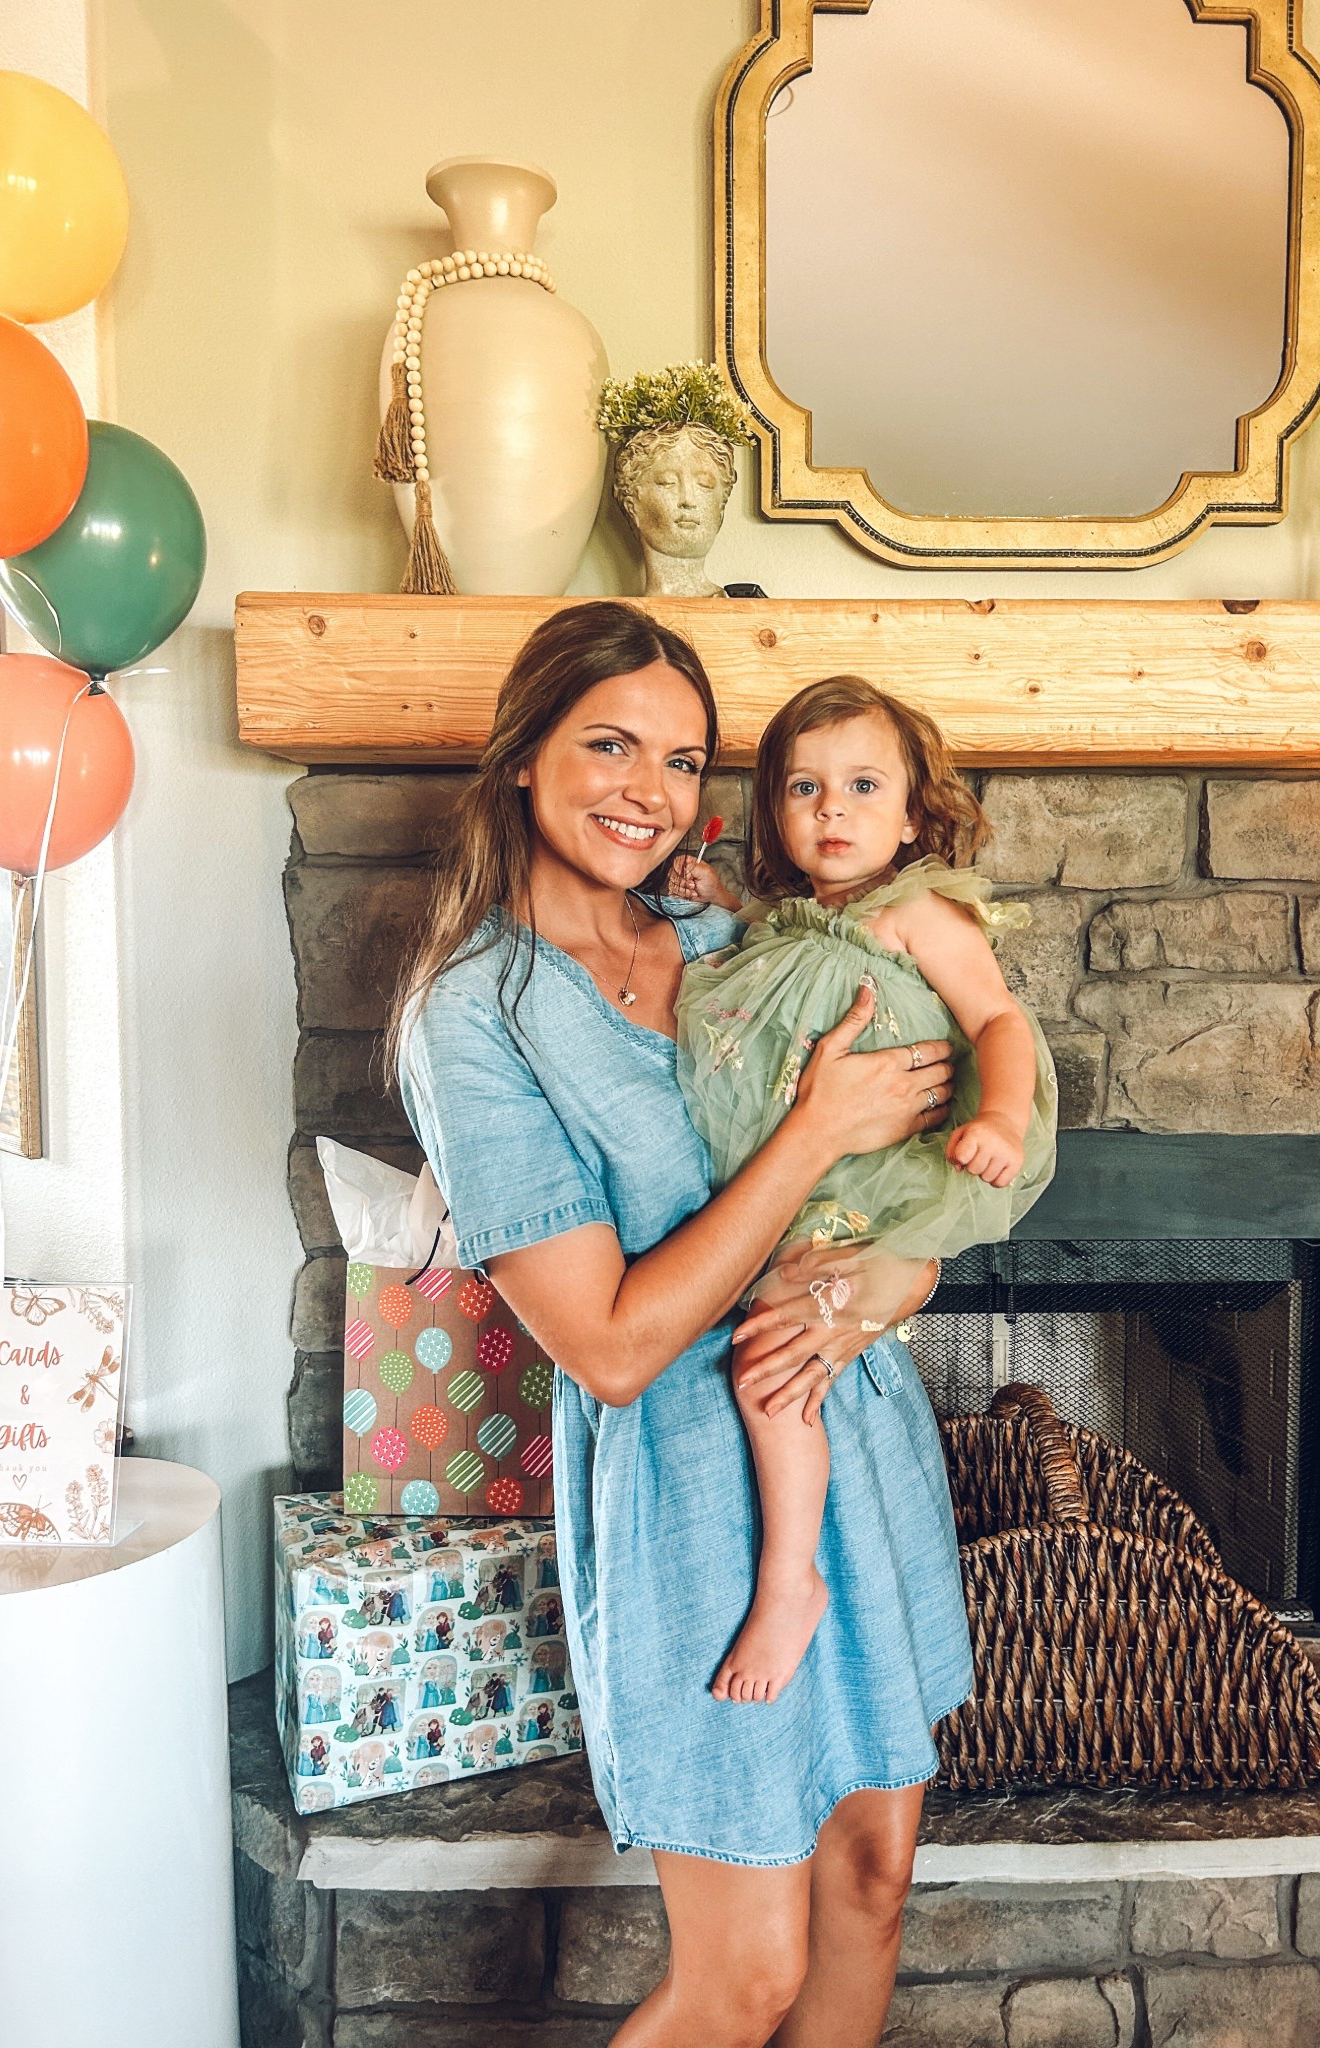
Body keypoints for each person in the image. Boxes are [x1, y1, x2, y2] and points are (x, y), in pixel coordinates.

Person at [392, 600, 970, 2048]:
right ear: (523, 755)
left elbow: (911, 1170)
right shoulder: (475, 1020)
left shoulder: (724, 930)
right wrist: (814, 1127)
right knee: (742, 1976)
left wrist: (892, 1280)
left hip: (859, 1428)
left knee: (874, 1878)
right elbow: (612, 1343)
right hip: (697, 1506)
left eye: (683, 757)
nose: (648, 790)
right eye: (608, 744)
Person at [672, 675, 1057, 1704]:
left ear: (914, 812)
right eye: (803, 786)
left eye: (860, 784)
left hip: (869, 1179)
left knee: (771, 1359)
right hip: (798, 1172)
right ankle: (806, 1556)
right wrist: (723, 900)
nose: (830, 807)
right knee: (773, 1341)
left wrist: (1003, 1116)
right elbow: (785, 949)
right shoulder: (797, 914)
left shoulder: (920, 910)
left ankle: (788, 1576)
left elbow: (999, 1022)